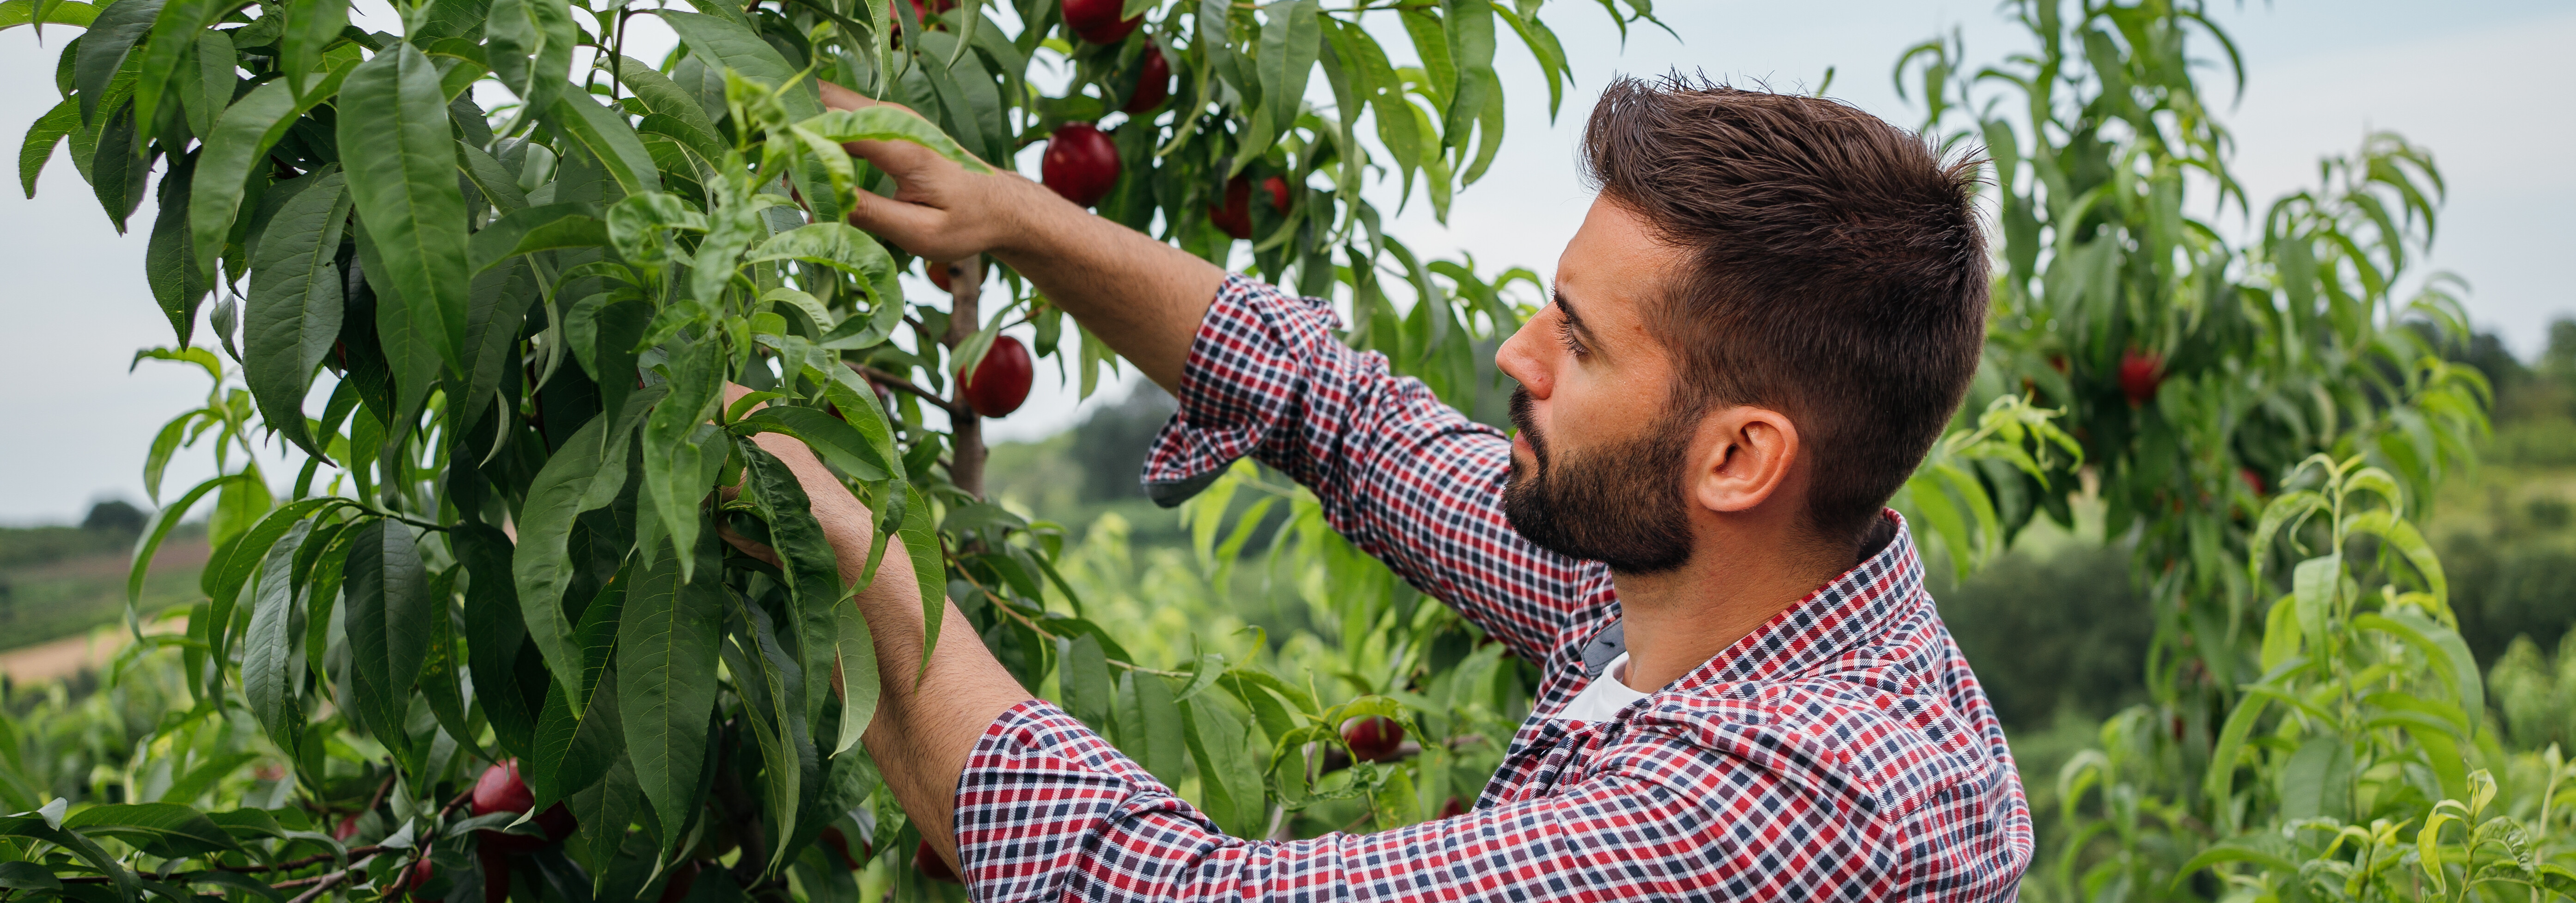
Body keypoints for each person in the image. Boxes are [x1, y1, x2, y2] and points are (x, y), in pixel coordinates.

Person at [730, 73, 2031, 902]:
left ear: (1741, 458)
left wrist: (851, 543)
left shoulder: (1789, 797)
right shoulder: (1696, 583)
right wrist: (1017, 217)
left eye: (1580, 341)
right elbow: (1351, 417)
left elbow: (1164, 896)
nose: (1517, 355)